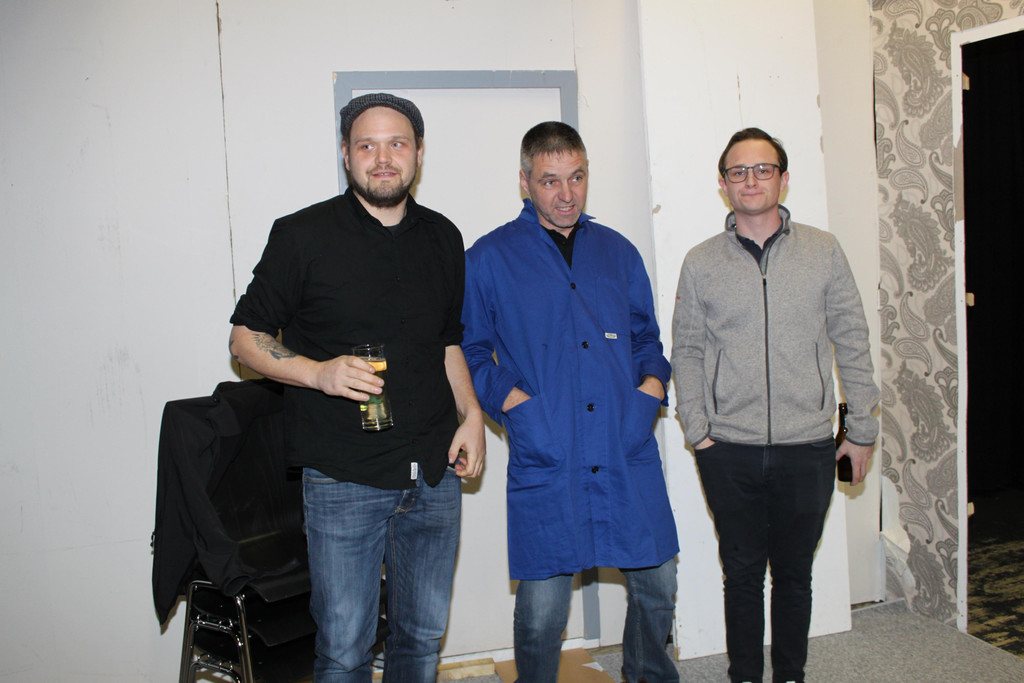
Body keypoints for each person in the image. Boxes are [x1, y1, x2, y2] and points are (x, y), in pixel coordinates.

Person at [228, 93, 485, 682]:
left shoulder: (444, 237)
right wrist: (317, 372)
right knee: (345, 650)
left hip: (434, 472)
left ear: (418, 153)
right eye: (367, 145)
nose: (383, 158)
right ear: (346, 155)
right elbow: (245, 338)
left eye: (397, 143)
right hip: (344, 478)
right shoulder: (302, 235)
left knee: (421, 641)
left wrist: (471, 414)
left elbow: (448, 342)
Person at [461, 121, 680, 683]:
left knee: (658, 585)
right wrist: (516, 405)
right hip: (549, 447)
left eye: (577, 178)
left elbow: (646, 338)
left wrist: (650, 392)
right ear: (525, 182)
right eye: (550, 180)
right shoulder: (488, 258)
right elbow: (471, 351)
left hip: (622, 441)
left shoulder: (618, 252)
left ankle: (648, 675)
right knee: (542, 612)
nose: (566, 194)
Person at [670, 127, 879, 683]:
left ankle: (790, 675)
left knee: (794, 576)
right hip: (727, 449)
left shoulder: (823, 251)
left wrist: (861, 429)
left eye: (763, 169)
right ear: (723, 184)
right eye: (738, 171)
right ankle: (744, 675)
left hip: (807, 446)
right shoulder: (701, 262)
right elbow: (686, 349)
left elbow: (852, 339)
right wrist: (699, 430)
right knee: (740, 575)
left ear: (783, 179)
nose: (751, 180)